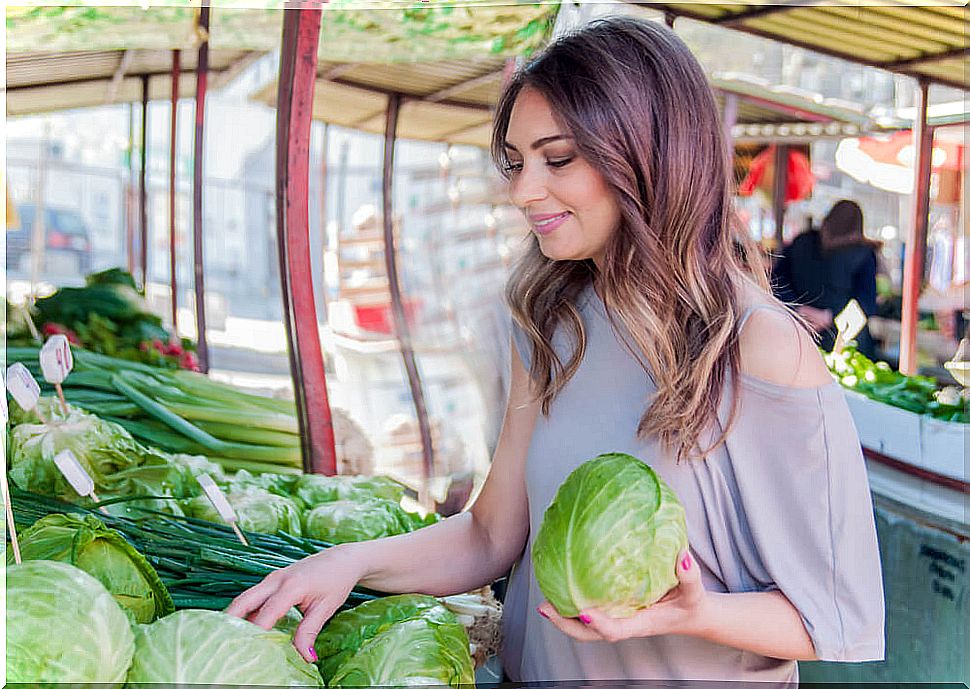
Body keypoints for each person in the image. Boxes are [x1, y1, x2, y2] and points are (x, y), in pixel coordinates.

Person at [227, 17, 884, 684]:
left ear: (649, 153)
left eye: (558, 158)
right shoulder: (548, 322)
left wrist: (692, 611)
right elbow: (490, 534)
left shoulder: (760, 346)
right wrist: (348, 562)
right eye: (515, 162)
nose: (523, 191)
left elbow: (830, 615)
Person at [772, 200, 882, 358]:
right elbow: (866, 304)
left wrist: (799, 310)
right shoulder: (864, 254)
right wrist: (829, 317)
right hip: (843, 346)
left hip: (796, 333)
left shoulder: (802, 241)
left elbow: (776, 282)